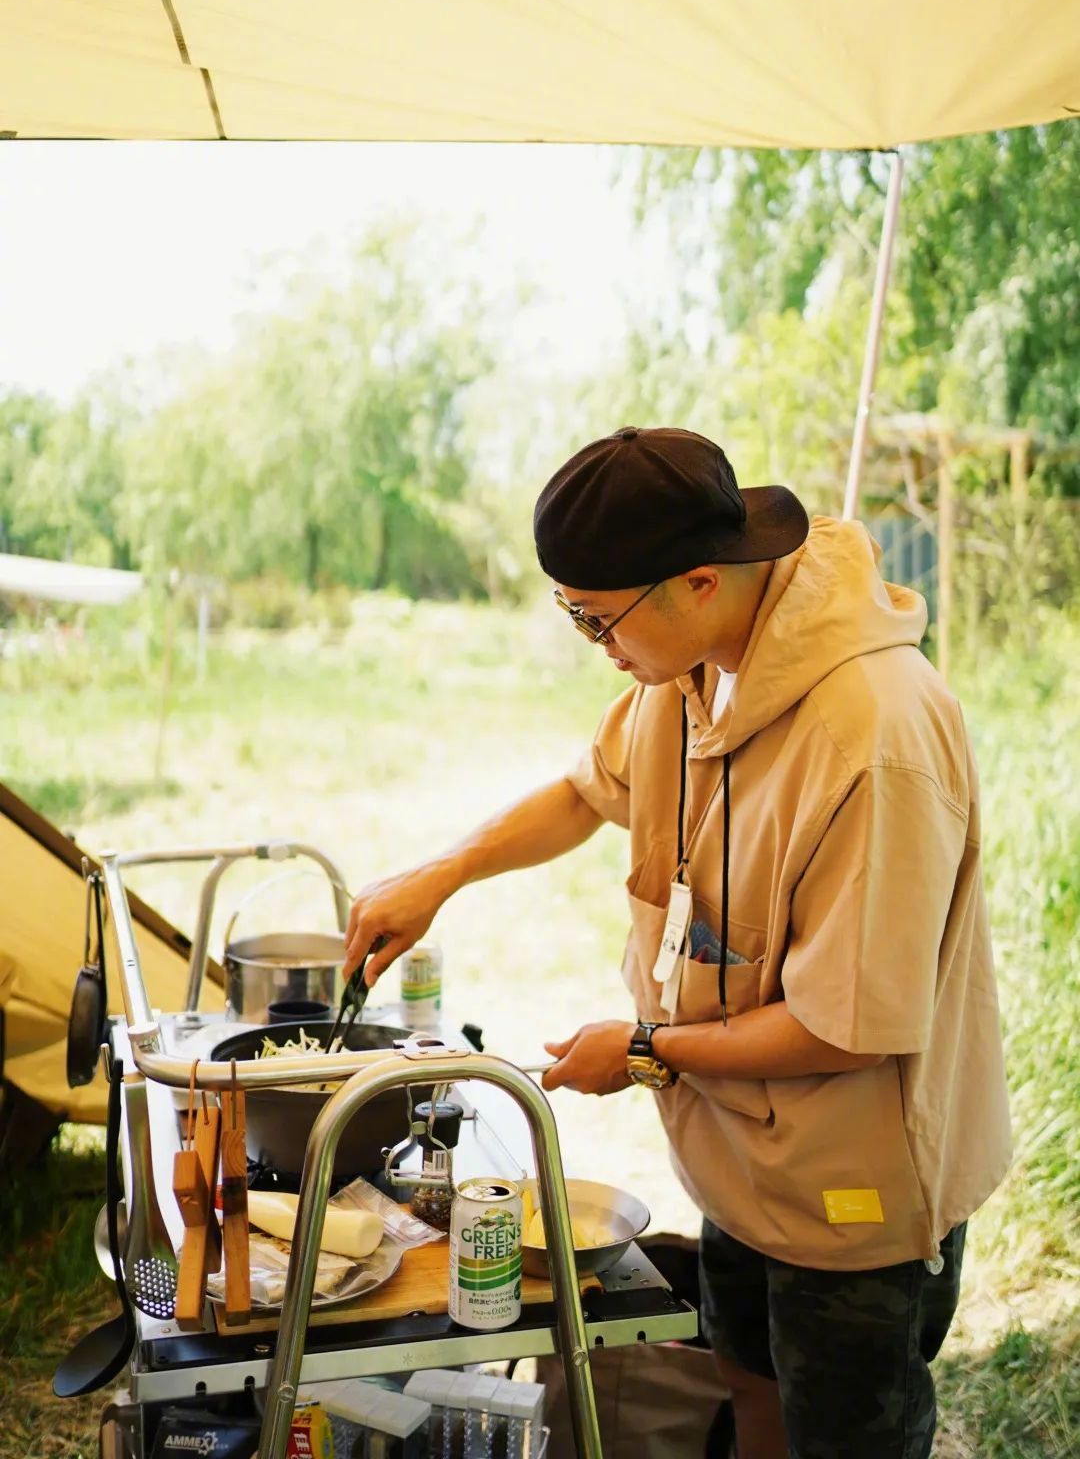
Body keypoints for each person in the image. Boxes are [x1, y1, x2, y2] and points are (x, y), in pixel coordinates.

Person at [345, 426, 1011, 1459]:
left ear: (701, 581)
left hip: (854, 1192)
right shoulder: (693, 668)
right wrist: (441, 875)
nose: (595, 644)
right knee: (748, 1380)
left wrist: (645, 1051)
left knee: (843, 1432)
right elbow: (586, 791)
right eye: (572, 613)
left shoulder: (875, 736)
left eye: (597, 618)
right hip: (740, 1155)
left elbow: (843, 1029)